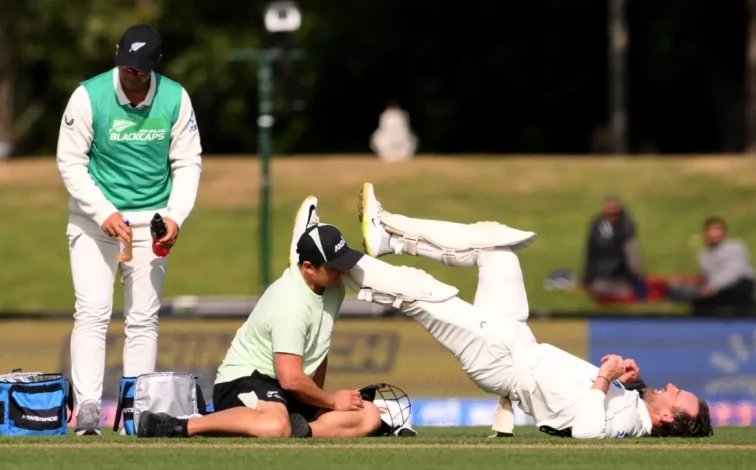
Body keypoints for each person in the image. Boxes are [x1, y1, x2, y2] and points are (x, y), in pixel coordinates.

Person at [347, 183, 713, 439]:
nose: (673, 386)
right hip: (519, 340)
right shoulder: (634, 406)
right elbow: (617, 405)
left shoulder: (629, 425)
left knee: (421, 291)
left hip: (503, 362)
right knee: (497, 247)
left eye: (677, 395)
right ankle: (390, 236)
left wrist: (604, 376)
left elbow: (587, 432)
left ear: (666, 416)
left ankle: (328, 258)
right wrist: (632, 382)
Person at [56, 24, 203, 435]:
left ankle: (137, 412)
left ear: (155, 64)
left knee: (143, 318)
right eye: (126, 65)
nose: (131, 74)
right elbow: (70, 161)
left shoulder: (175, 97)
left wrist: (175, 215)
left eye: (140, 69)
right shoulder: (88, 96)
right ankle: (86, 409)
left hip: (150, 222)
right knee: (92, 312)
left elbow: (188, 162)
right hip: (94, 220)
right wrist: (104, 212)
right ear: (118, 52)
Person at [136, 196, 382, 439]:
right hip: (245, 381)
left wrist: (319, 404)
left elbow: (319, 348)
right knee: (275, 425)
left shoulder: (333, 288)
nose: (342, 271)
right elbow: (290, 379)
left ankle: (302, 431)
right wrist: (330, 400)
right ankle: (180, 426)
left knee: (369, 415)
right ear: (308, 267)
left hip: (287, 390)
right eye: (334, 266)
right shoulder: (291, 302)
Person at [692, 217, 756, 316]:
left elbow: (734, 272)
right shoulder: (704, 255)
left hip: (738, 287)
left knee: (742, 286)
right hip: (718, 290)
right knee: (699, 301)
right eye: (711, 231)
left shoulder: (736, 247)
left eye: (717, 230)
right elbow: (707, 277)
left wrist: (713, 287)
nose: (714, 234)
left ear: (724, 232)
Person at [582, 197, 646, 302]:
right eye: (608, 214)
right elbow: (591, 253)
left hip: (620, 275)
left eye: (615, 214)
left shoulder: (626, 231)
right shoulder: (597, 228)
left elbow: (634, 261)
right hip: (601, 275)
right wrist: (586, 277)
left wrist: (637, 278)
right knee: (598, 287)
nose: (612, 218)